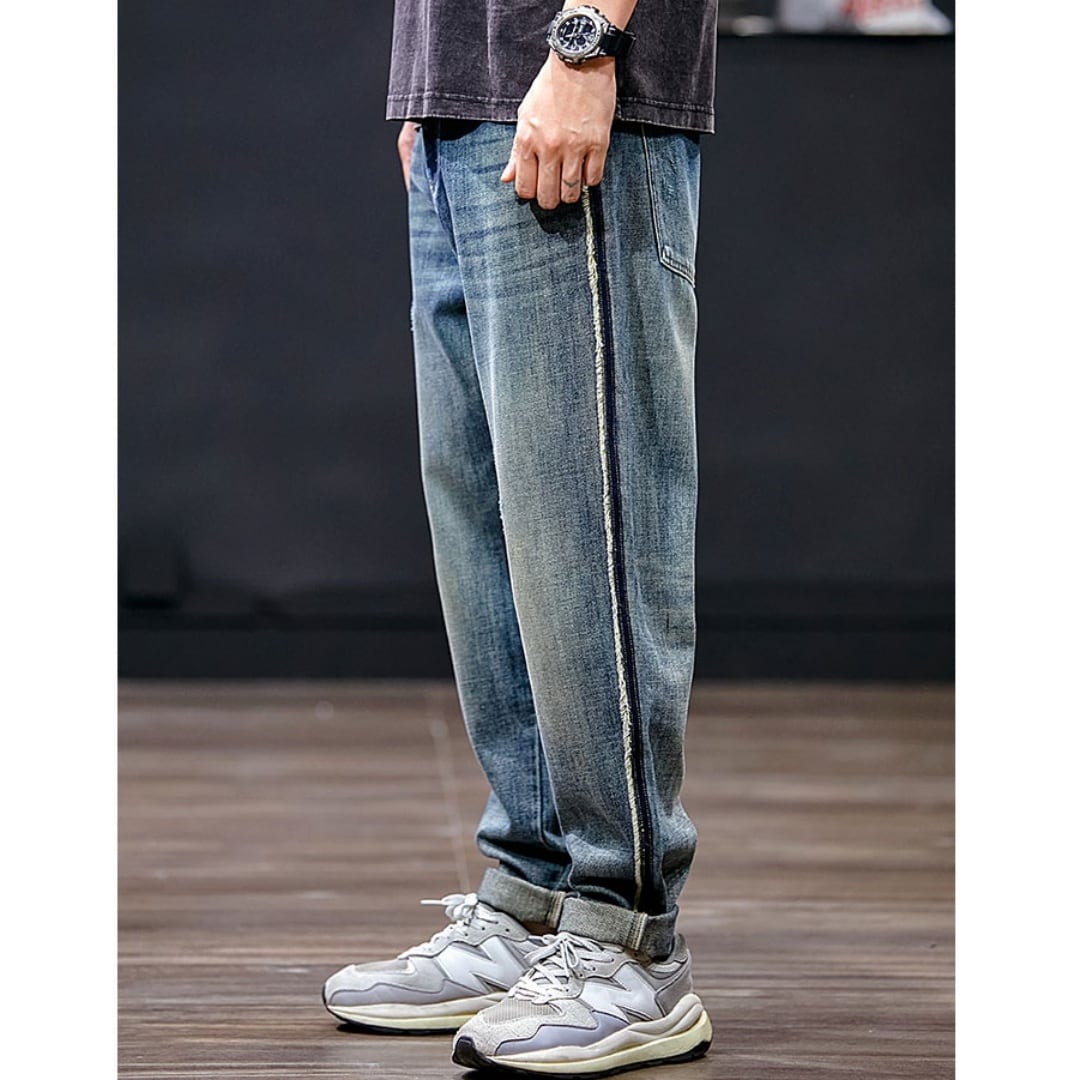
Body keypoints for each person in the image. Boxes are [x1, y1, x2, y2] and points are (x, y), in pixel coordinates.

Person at [323, 2, 719, 1073]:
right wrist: (432, 86)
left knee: (588, 521)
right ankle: (533, 901)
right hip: (464, 106)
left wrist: (587, 46)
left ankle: (628, 934)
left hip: (573, 79)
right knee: (493, 529)